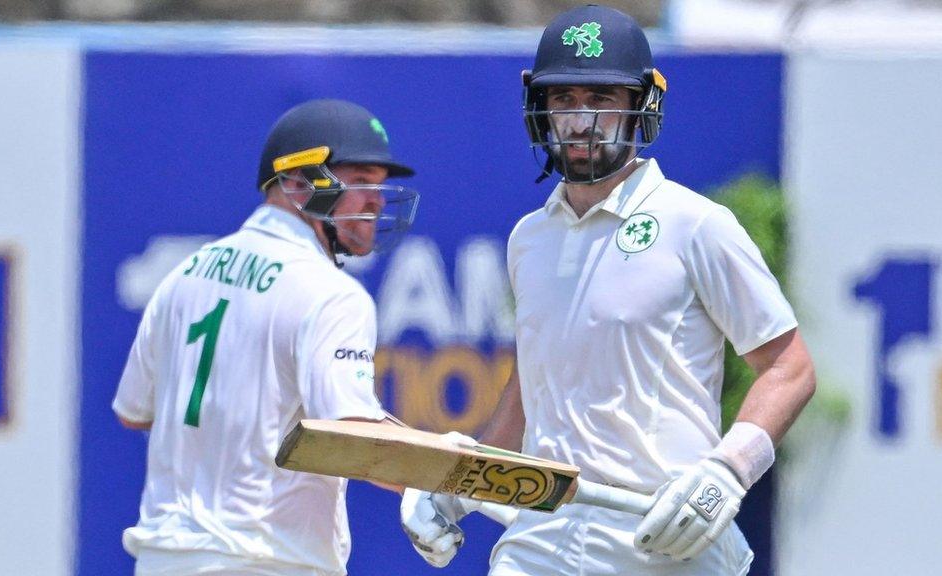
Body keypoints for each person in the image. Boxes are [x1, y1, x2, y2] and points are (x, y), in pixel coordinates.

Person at [400, 4, 816, 575]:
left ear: (641, 105)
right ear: (539, 109)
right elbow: (532, 390)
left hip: (664, 537)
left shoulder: (694, 224)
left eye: (601, 99)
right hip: (541, 536)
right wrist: (461, 485)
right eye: (564, 101)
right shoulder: (530, 239)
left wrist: (727, 472)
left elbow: (789, 368)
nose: (581, 120)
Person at [113, 98, 419, 576]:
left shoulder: (185, 272)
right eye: (359, 180)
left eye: (379, 183)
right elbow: (354, 441)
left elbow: (135, 413)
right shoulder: (333, 294)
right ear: (298, 183)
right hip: (267, 562)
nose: (376, 199)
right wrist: (442, 480)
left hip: (162, 560)